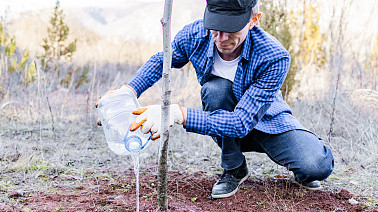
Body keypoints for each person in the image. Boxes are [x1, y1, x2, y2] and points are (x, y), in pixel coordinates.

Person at [99, 0, 334, 199]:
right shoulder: (196, 34)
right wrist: (128, 91)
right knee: (216, 90)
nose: (221, 38)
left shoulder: (274, 56)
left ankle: (300, 162)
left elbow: (242, 122)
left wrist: (178, 114)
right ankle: (234, 169)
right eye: (215, 28)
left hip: (267, 122)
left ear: (253, 20)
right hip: (223, 121)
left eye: (231, 29)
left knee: (316, 166)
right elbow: (164, 59)